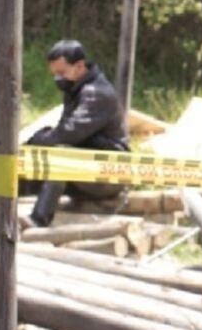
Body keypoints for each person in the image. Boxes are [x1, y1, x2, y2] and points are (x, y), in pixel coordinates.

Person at [22, 39, 129, 228]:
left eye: (61, 73)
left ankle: (39, 220)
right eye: (54, 74)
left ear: (79, 66)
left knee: (60, 155)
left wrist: (35, 142)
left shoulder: (96, 93)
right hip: (88, 168)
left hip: (108, 176)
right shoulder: (75, 89)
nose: (57, 79)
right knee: (43, 147)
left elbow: (68, 134)